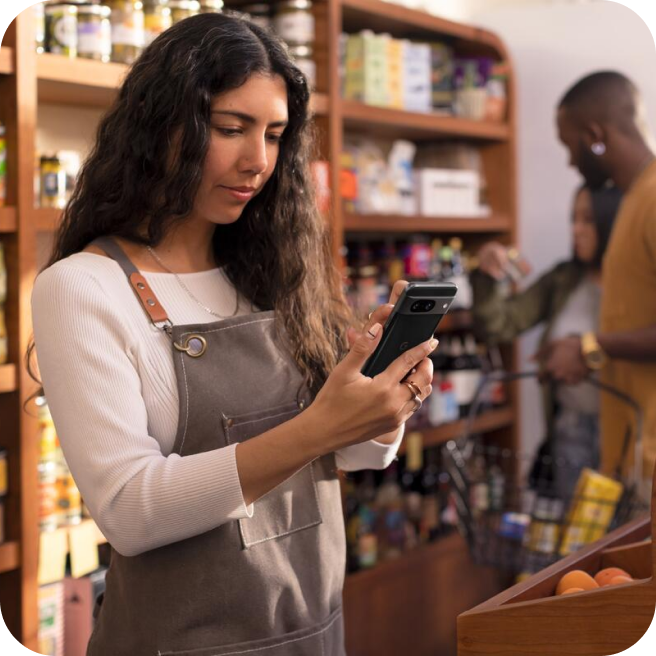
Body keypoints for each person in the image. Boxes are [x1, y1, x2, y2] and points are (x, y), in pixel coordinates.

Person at [28, 14, 437, 656]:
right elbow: (131, 511)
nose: (258, 162)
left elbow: (350, 457)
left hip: (314, 632)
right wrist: (321, 426)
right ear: (162, 126)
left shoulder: (275, 273)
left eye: (275, 135)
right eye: (230, 129)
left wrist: (386, 404)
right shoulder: (83, 288)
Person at [471, 184, 622, 498]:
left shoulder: (637, 284)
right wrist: (486, 275)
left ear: (613, 221)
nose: (575, 229)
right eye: (574, 219)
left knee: (628, 537)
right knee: (578, 537)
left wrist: (584, 350)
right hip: (570, 427)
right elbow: (499, 325)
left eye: (588, 220)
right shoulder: (563, 279)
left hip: (626, 430)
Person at [546, 71, 656, 493]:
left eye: (568, 145)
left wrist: (591, 346)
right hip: (630, 453)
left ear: (595, 135)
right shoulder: (633, 198)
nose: (570, 161)